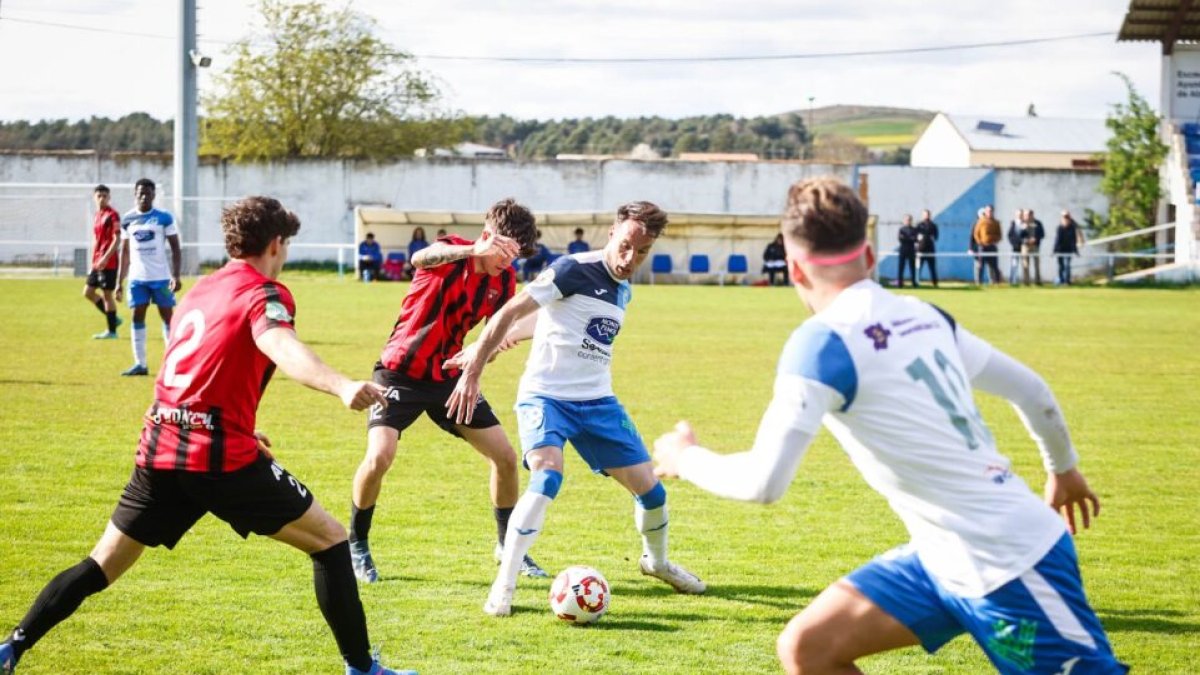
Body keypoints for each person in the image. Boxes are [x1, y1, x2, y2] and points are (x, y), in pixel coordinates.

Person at [652, 177, 1125, 675]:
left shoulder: (821, 344)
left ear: (794, 270)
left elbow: (765, 484)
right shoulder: (925, 314)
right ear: (872, 256)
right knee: (809, 648)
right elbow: (1032, 390)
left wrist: (685, 457)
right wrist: (1064, 469)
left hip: (1009, 561)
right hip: (939, 557)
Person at [0, 197, 413, 675]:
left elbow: (194, 369)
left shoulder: (201, 290)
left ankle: (13, 646)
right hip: (217, 457)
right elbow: (280, 344)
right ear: (276, 244)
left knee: (101, 564)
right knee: (330, 539)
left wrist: (234, 422)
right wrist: (342, 385)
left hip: (159, 447)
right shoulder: (264, 292)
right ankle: (362, 669)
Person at [445, 200, 706, 618]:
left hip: (598, 401)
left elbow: (554, 322)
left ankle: (655, 563)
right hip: (546, 397)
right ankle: (505, 583)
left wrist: (505, 339)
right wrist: (475, 366)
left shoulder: (624, 289)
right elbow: (512, 311)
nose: (629, 259)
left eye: (641, 252)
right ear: (612, 234)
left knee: (654, 493)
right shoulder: (572, 269)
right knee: (547, 478)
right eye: (625, 246)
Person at [348, 199, 547, 586]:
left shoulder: (502, 280)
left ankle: (508, 547)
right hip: (398, 374)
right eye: (504, 252)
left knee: (505, 457)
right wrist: (474, 249)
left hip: (449, 378)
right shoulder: (451, 252)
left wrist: (483, 352)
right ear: (488, 236)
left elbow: (499, 333)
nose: (508, 263)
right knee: (379, 457)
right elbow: (423, 256)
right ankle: (357, 544)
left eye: (515, 256)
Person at [116, 178, 182, 376]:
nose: (144, 196)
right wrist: (119, 281)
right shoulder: (128, 219)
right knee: (137, 315)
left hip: (161, 278)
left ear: (154, 195)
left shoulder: (164, 218)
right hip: (137, 279)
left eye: (148, 193)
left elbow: (176, 248)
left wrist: (175, 275)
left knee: (168, 317)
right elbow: (125, 252)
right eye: (140, 192)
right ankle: (140, 364)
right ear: (135, 194)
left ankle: (173, 363)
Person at [83, 184, 123, 339]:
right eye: (99, 196)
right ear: (94, 197)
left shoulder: (113, 215)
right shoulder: (97, 215)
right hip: (97, 261)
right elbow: (97, 240)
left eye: (105, 196)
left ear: (109, 197)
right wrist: (94, 260)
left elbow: (117, 238)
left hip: (109, 261)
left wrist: (106, 257)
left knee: (107, 295)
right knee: (88, 292)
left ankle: (112, 331)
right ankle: (114, 319)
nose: (102, 198)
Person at [973, 204, 1002, 285]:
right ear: (985, 212)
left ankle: (996, 283)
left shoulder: (996, 222)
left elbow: (999, 235)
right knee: (980, 266)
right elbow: (976, 234)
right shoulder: (980, 222)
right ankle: (979, 283)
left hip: (992, 247)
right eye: (988, 211)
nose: (989, 212)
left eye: (991, 211)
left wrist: (994, 240)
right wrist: (980, 242)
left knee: (994, 266)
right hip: (982, 247)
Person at [1054, 211, 1083, 286]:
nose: (1065, 218)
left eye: (1067, 217)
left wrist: (1076, 251)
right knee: (1061, 266)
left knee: (1067, 265)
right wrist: (1054, 250)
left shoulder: (1072, 227)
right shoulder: (1059, 227)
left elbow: (1074, 240)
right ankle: (1061, 280)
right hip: (1060, 250)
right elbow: (1057, 240)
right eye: (1064, 217)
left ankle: (1067, 281)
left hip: (1068, 250)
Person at [915, 209, 939, 288]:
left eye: (928, 214)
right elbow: (915, 236)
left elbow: (936, 236)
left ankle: (934, 283)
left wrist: (933, 238)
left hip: (930, 250)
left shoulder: (933, 225)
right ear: (922, 215)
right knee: (918, 267)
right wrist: (918, 238)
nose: (926, 216)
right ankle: (916, 282)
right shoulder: (919, 225)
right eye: (925, 214)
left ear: (930, 215)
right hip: (921, 250)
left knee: (932, 267)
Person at [1021, 209, 1045, 286]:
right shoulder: (1022, 223)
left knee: (1037, 264)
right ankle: (1026, 282)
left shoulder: (1038, 223)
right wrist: (1024, 230)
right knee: (1025, 264)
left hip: (1035, 246)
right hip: (1025, 246)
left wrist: (1035, 239)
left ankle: (1037, 281)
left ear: (1032, 215)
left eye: (1028, 214)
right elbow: (1019, 235)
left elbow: (1042, 234)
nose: (1027, 216)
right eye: (1025, 215)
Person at [896, 214, 919, 288]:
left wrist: (907, 238)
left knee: (912, 268)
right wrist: (910, 238)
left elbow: (915, 239)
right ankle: (900, 283)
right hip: (903, 250)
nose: (907, 221)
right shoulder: (901, 229)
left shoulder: (914, 229)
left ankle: (914, 283)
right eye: (906, 220)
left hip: (911, 251)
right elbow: (900, 239)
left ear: (911, 221)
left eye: (909, 220)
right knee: (901, 267)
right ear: (904, 221)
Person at [1007, 209, 1026, 286]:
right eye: (1018, 214)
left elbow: (1026, 235)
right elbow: (1010, 235)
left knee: (1025, 265)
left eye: (1021, 214)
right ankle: (1012, 280)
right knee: (1014, 264)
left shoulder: (1025, 224)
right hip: (1015, 247)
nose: (1019, 215)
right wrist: (1014, 243)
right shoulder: (1013, 223)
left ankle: (1024, 281)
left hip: (1024, 247)